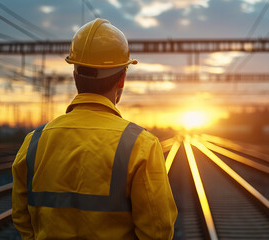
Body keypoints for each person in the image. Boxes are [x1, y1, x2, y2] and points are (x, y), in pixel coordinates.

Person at [12, 18, 177, 240]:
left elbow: (22, 219)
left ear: (75, 74)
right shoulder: (141, 145)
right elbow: (158, 230)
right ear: (122, 79)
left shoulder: (33, 142)